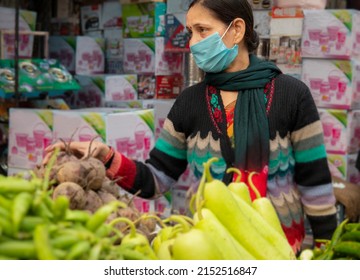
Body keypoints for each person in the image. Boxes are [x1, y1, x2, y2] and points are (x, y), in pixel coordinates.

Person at [43, 0, 337, 255]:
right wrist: (103, 154)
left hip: (278, 250)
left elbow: (316, 183)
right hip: (206, 248)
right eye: (190, 32)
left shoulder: (291, 94)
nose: (193, 42)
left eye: (202, 30)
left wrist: (328, 251)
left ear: (236, 31)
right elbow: (156, 179)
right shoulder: (190, 102)